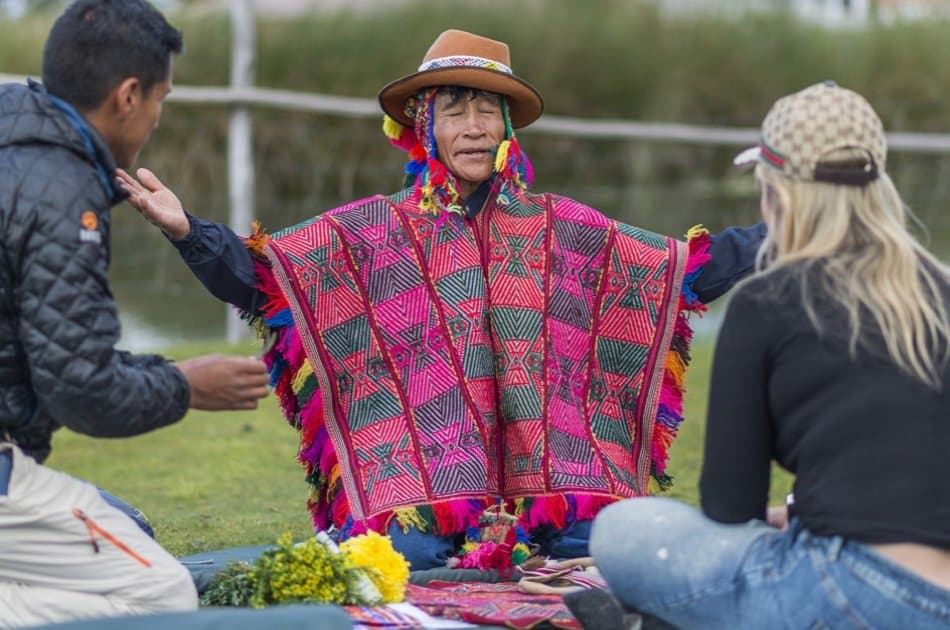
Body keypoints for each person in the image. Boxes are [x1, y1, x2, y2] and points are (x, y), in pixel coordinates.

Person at [120, 29, 763, 571]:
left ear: (508, 124)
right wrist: (186, 230)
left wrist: (790, 229)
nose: (476, 127)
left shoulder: (561, 227)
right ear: (425, 124)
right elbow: (267, 276)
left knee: (617, 547)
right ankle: (175, 577)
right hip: (419, 489)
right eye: (455, 110)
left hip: (555, 484)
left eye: (489, 110)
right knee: (403, 556)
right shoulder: (371, 232)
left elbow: (678, 272)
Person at [590, 82, 950, 628]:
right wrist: (803, 512)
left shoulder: (769, 299)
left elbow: (729, 506)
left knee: (624, 529)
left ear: (778, 194)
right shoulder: (941, 290)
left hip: (841, 590)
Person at [0, 1, 270, 626]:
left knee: (129, 525)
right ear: (127, 95)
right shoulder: (61, 188)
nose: (156, 118)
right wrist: (184, 385)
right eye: (160, 99)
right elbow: (81, 392)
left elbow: (57, 354)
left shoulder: (21, 146)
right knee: (163, 593)